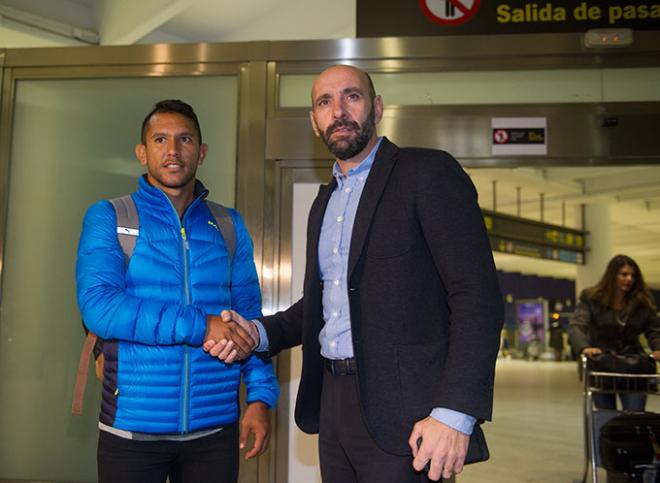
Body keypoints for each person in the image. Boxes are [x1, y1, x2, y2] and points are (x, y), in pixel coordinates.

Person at [205, 65, 503, 482]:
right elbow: (324, 304)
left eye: (352, 96)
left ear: (376, 107)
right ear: (314, 121)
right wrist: (257, 332)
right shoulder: (324, 203)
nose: (338, 111)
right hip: (334, 407)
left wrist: (456, 413)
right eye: (324, 102)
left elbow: (478, 299)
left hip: (411, 418)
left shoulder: (426, 173)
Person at [76, 99, 279, 483]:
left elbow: (249, 318)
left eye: (185, 139)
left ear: (201, 153)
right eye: (160, 139)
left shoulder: (228, 225)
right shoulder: (111, 217)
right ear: (142, 152)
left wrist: (260, 397)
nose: (173, 150)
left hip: (215, 431)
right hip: (131, 430)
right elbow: (100, 307)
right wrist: (202, 326)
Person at [568, 254, 660, 411]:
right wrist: (584, 347)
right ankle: (606, 435)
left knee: (634, 415)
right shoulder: (591, 299)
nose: (629, 279)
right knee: (605, 417)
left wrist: (658, 347)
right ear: (612, 276)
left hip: (633, 367)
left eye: (632, 275)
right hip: (601, 364)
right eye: (624, 274)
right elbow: (577, 325)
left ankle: (630, 436)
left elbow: (654, 330)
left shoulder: (643, 302)